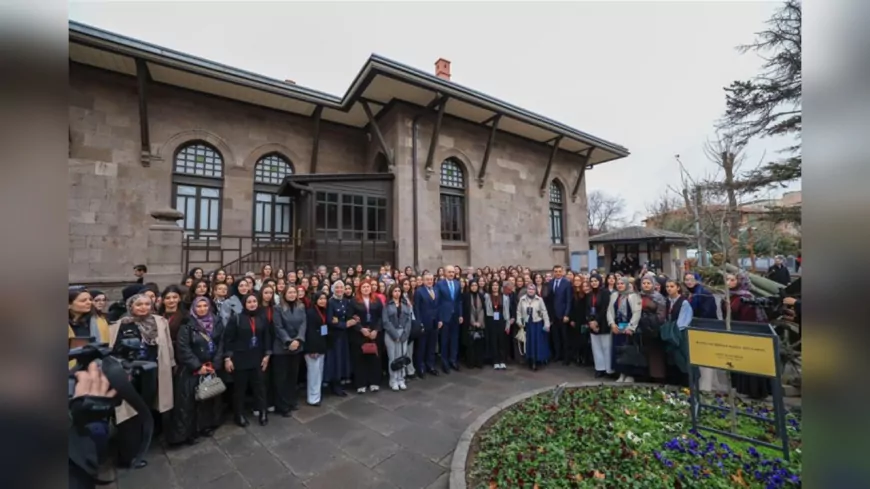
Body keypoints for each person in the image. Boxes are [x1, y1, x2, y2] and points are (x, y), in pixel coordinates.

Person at [109, 293, 174, 469]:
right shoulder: (122, 324)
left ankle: (142, 445)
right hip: (129, 375)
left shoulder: (159, 322)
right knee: (128, 414)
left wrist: (171, 364)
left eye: (147, 304)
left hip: (152, 372)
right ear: (131, 307)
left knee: (146, 408)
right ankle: (127, 455)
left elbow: (167, 345)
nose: (144, 307)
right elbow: (114, 350)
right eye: (139, 305)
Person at [165, 296, 224, 446]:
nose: (202, 309)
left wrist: (215, 363)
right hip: (192, 370)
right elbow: (183, 348)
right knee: (189, 403)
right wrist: (198, 366)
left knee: (208, 398)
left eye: (205, 305)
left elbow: (221, 343)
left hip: (210, 366)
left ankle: (205, 426)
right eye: (199, 306)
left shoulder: (216, 322)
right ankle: (187, 433)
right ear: (194, 308)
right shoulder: (187, 325)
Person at [223, 293, 272, 427]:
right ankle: (239, 415)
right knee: (240, 389)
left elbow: (267, 337)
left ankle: (263, 412)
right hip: (240, 359)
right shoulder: (236, 318)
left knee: (260, 387)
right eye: (249, 302)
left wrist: (267, 355)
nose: (252, 304)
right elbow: (228, 339)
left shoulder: (262, 318)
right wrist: (227, 358)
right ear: (244, 304)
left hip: (258, 358)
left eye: (254, 301)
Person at [722, 272, 771, 399]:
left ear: (740, 282)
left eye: (732, 280)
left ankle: (756, 391)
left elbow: (749, 318)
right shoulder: (730, 297)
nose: (729, 282)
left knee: (751, 363)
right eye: (727, 279)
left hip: (747, 333)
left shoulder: (746, 298)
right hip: (734, 333)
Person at [272, 287, 305, 416]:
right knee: (281, 378)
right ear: (284, 294)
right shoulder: (278, 308)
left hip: (297, 346)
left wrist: (298, 340)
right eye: (289, 292)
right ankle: (282, 405)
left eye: (294, 292)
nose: (292, 295)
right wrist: (288, 341)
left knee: (293, 376)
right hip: (282, 347)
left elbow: (304, 324)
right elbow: (278, 326)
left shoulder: (301, 307)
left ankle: (291, 400)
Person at [349, 279, 383, 393]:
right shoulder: (354, 301)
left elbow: (381, 317)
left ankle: (374, 382)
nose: (366, 289)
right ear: (360, 289)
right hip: (360, 334)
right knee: (360, 359)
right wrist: (360, 329)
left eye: (368, 287)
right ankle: (361, 383)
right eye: (363, 287)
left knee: (374, 358)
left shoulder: (377, 300)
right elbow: (350, 317)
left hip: (374, 333)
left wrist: (376, 330)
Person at [607, 277, 642, 383]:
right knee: (618, 351)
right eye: (618, 284)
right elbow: (609, 311)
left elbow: (637, 312)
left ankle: (630, 375)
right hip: (617, 327)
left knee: (629, 351)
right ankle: (621, 373)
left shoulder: (634, 296)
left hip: (629, 328)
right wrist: (612, 324)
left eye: (622, 283)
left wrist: (631, 327)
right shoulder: (614, 295)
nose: (620, 285)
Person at [325, 281, 354, 396]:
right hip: (334, 336)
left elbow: (349, 316)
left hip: (344, 336)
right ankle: (335, 384)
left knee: (342, 359)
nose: (339, 290)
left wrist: (342, 321)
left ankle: (340, 381)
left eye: (341, 287)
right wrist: (344, 324)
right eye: (337, 288)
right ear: (333, 289)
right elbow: (329, 321)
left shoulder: (346, 301)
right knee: (335, 360)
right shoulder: (330, 302)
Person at [382, 284, 412, 391]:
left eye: (399, 291)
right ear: (391, 292)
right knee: (393, 357)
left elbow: (409, 320)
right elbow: (385, 321)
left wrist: (405, 333)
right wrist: (395, 335)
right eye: (395, 291)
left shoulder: (405, 304)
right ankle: (393, 380)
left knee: (402, 357)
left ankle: (401, 379)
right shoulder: (386, 305)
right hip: (391, 333)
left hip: (403, 332)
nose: (397, 293)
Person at [436, 265, 464, 374]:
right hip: (444, 316)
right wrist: (440, 318)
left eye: (453, 272)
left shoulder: (457, 283)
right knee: (444, 341)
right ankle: (445, 363)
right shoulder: (439, 284)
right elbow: (437, 302)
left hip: (455, 316)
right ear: (445, 273)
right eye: (449, 272)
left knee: (454, 340)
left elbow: (459, 301)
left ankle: (453, 360)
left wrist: (460, 314)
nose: (452, 274)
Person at [516, 284, 550, 371]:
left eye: (532, 289)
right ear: (527, 290)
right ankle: (530, 360)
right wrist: (519, 322)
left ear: (535, 291)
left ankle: (536, 361)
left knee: (537, 342)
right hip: (527, 324)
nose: (531, 291)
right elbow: (519, 312)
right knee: (528, 343)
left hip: (537, 323)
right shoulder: (522, 299)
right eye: (529, 289)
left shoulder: (539, 299)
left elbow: (544, 311)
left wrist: (547, 324)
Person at [305, 292, 330, 405]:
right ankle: (313, 398)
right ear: (315, 300)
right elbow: (309, 332)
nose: (323, 301)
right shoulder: (311, 312)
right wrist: (312, 349)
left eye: (324, 298)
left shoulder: (324, 311)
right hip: (313, 348)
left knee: (319, 372)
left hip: (321, 345)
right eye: (320, 299)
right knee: (313, 373)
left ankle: (317, 395)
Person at [413, 273, 440, 378]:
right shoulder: (419, 292)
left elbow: (438, 306)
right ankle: (420, 367)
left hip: (434, 323)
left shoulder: (436, 290)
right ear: (423, 281)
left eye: (431, 279)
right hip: (424, 322)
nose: (430, 281)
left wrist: (439, 320)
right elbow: (417, 309)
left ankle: (431, 365)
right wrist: (419, 323)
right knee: (422, 347)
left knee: (432, 346)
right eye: (427, 279)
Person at [585, 274, 612, 378]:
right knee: (596, 347)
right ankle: (599, 368)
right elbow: (587, 309)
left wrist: (597, 321)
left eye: (596, 281)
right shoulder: (589, 294)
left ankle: (608, 369)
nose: (594, 283)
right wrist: (591, 322)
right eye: (592, 281)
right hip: (592, 324)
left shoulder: (605, 293)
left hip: (603, 323)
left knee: (606, 347)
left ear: (600, 281)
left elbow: (604, 309)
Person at [548, 265, 573, 365]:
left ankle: (566, 358)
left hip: (563, 314)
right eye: (555, 271)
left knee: (565, 337)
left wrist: (567, 314)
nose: (557, 273)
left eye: (559, 271)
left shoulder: (566, 283)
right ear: (553, 272)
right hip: (553, 315)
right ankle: (557, 355)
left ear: (562, 272)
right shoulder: (550, 283)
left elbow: (568, 300)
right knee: (556, 337)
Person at [483, 281, 508, 370]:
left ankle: (502, 360)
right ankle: (495, 361)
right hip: (491, 320)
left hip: (501, 320)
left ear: (499, 287)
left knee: (502, 340)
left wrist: (507, 323)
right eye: (493, 285)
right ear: (490, 287)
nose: (495, 287)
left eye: (496, 285)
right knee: (493, 341)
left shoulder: (504, 297)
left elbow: (506, 311)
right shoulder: (487, 296)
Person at [462, 281, 486, 369]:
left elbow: (483, 309)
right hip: (469, 323)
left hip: (480, 323)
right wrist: (473, 322)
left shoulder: (481, 296)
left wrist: (479, 321)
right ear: (470, 286)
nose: (474, 287)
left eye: (476, 285)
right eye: (472, 285)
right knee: (470, 344)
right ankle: (471, 362)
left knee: (479, 343)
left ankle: (479, 362)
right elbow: (467, 311)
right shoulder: (466, 296)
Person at [566, 276, 587, 367]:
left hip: (583, 320)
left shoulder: (585, 293)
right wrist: (571, 319)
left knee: (583, 340)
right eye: (575, 280)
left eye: (579, 280)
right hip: (574, 320)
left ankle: (584, 357)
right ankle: (577, 356)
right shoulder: (571, 293)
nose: (577, 282)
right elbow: (570, 307)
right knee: (575, 339)